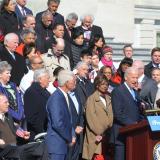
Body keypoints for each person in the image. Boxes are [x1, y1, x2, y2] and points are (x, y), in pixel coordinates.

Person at [110, 67, 142, 160]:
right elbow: (118, 114)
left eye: (137, 78)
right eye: (133, 77)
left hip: (134, 134)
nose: (135, 80)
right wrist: (134, 124)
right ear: (126, 77)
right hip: (121, 134)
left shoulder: (135, 92)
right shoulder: (118, 91)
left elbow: (137, 111)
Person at [46, 70, 76, 160]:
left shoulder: (64, 96)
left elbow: (68, 120)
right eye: (74, 81)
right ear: (67, 82)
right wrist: (70, 137)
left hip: (63, 143)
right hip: (57, 145)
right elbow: (58, 123)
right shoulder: (56, 98)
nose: (75, 83)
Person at [83, 75, 113, 160]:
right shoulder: (91, 99)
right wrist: (100, 132)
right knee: (97, 156)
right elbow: (91, 119)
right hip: (96, 136)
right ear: (97, 85)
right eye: (102, 84)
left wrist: (109, 129)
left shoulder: (109, 98)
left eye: (106, 84)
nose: (105, 86)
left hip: (107, 135)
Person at [24, 68, 51, 141]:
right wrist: (42, 132)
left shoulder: (45, 91)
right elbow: (31, 117)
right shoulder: (31, 92)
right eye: (48, 78)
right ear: (40, 79)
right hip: (38, 134)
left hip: (46, 132)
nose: (50, 80)